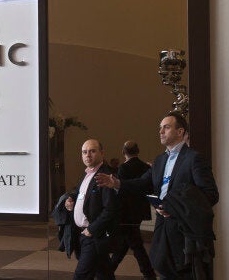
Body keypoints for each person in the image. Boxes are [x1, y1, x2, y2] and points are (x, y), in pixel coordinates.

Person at [95, 112, 219, 279]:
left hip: (184, 229)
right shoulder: (160, 160)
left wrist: (176, 207)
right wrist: (117, 183)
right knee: (163, 268)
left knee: (185, 273)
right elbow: (142, 183)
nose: (161, 131)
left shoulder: (194, 158)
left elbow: (210, 194)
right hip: (162, 227)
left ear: (180, 131)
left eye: (166, 127)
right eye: (160, 128)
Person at [64, 139, 119, 280]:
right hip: (84, 234)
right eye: (84, 152)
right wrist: (71, 199)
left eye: (92, 151)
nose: (87, 155)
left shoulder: (105, 176)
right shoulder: (88, 173)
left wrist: (91, 230)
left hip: (94, 236)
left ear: (101, 153)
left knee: (81, 276)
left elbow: (110, 210)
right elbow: (80, 193)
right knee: (104, 274)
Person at [110, 141, 156, 280]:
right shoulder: (145, 167)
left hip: (126, 212)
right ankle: (108, 270)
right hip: (139, 210)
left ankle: (149, 274)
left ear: (123, 152)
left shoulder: (123, 168)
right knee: (127, 242)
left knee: (135, 245)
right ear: (138, 151)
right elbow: (148, 188)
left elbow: (122, 191)